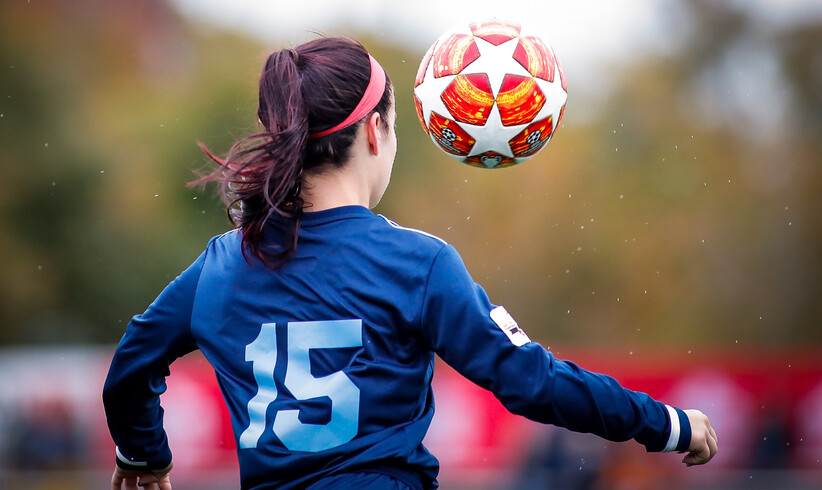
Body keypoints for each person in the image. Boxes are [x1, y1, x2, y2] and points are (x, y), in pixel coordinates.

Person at [102, 36, 717, 490]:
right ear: (375, 132)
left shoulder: (221, 265)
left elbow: (130, 367)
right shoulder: (415, 264)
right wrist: (663, 423)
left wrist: (144, 456)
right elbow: (531, 381)